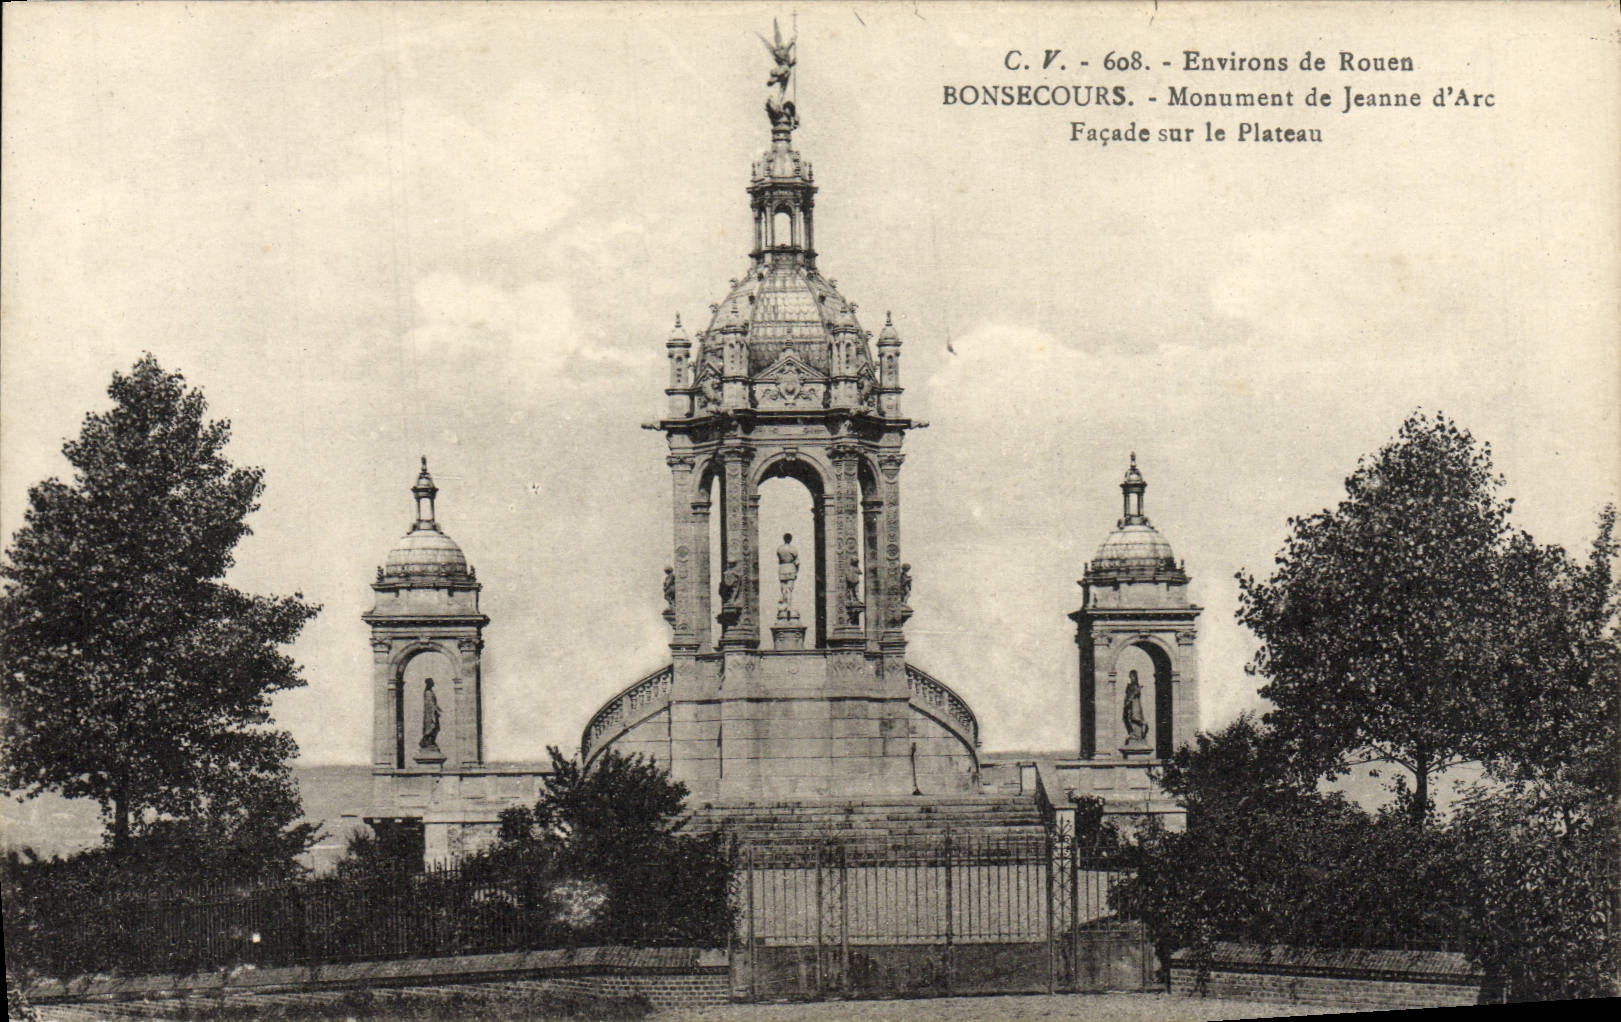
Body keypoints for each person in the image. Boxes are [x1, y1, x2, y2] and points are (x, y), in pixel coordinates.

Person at [1122, 670, 1149, 743]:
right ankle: (1132, 733)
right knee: (1126, 718)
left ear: (1135, 677)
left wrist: (1133, 694)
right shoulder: (1130, 685)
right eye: (1130, 677)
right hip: (1129, 704)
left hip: (1134, 704)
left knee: (1133, 717)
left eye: (1132, 676)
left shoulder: (1135, 686)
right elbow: (1128, 694)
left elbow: (1136, 693)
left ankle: (1142, 725)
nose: (1131, 678)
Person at [776, 533, 799, 611]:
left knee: (783, 588)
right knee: (789, 589)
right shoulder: (793, 549)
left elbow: (779, 559)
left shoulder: (779, 549)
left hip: (782, 568)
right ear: (790, 539)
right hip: (791, 568)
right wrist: (796, 571)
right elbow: (797, 562)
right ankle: (788, 605)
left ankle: (784, 603)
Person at [420, 678, 442, 749]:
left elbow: (433, 703)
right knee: (431, 728)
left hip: (433, 713)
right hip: (430, 714)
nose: (433, 683)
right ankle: (427, 742)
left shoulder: (430, 692)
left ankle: (431, 741)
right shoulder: (428, 692)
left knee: (436, 728)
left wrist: (438, 708)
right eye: (432, 682)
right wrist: (435, 710)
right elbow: (430, 704)